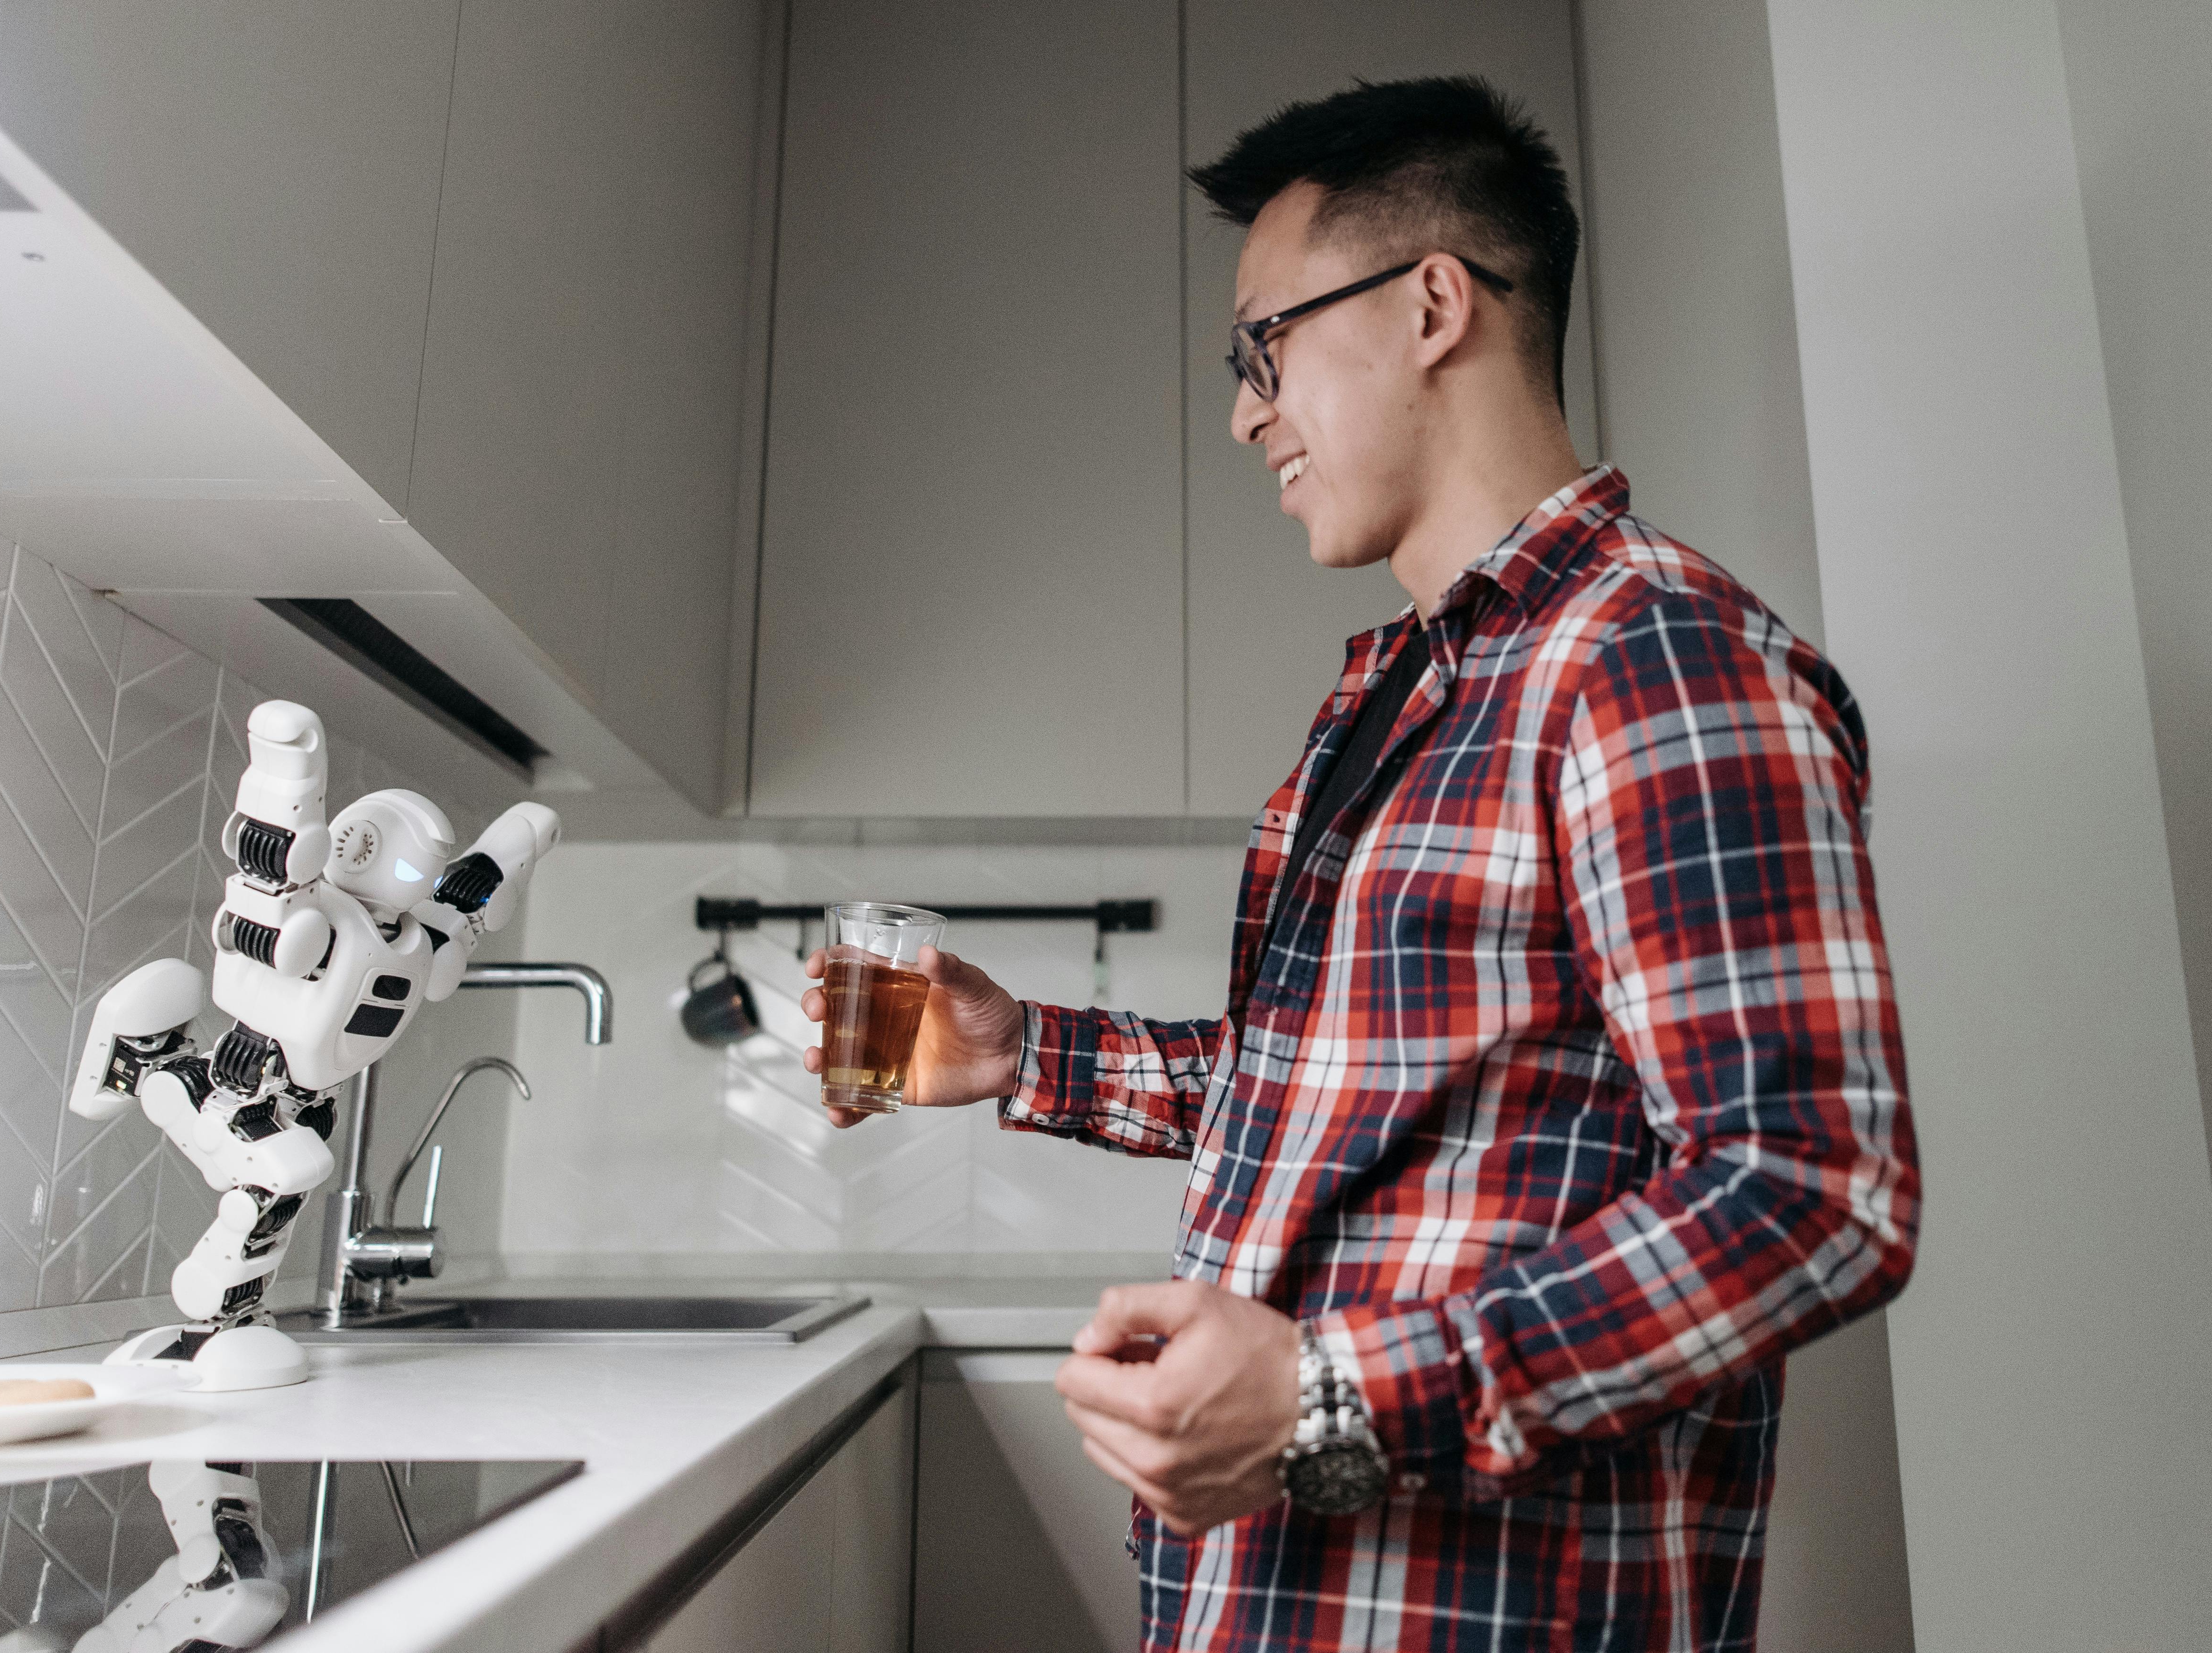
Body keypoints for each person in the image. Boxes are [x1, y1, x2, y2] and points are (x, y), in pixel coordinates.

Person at [801, 75, 1918, 1652]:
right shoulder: (1410, 695)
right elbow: (1359, 1091)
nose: (1244, 411)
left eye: (1261, 348)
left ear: (1431, 305)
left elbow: (1812, 1192)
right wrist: (1025, 1052)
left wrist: (1331, 1395)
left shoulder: (1653, 661)